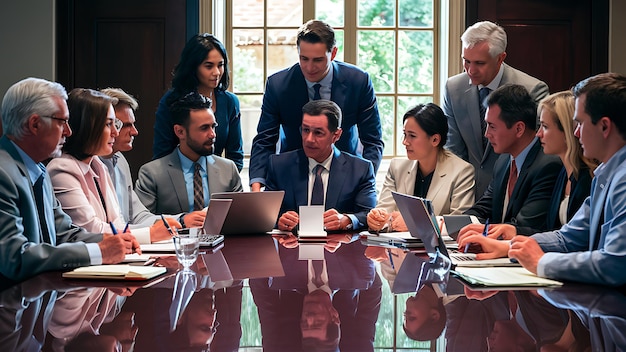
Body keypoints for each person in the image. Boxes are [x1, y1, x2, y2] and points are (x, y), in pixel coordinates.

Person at [0, 77, 138, 283]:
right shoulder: (4, 173)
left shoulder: (39, 169)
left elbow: (65, 234)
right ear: (35, 124)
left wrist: (113, 242)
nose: (69, 131)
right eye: (62, 122)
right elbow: (15, 257)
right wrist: (98, 252)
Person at [507, 73, 626, 286]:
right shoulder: (606, 174)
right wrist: (515, 246)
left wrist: (542, 262)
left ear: (605, 126)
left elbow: (616, 263)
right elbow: (568, 238)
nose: (576, 133)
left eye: (580, 123)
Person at [249, 19, 383, 192]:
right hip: (291, 177)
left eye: (318, 60)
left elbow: (372, 140)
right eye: (303, 58)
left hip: (345, 176)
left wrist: (363, 178)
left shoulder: (358, 81)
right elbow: (265, 139)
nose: (309, 67)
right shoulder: (278, 85)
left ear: (333, 53)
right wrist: (257, 182)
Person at [459, 91, 596, 249]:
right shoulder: (562, 174)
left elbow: (569, 239)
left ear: (567, 132)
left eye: (545, 127)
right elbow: (556, 234)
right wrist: (449, 222)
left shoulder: (559, 169)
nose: (538, 134)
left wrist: (508, 242)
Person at [47, 88, 176, 244]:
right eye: (109, 124)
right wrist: (149, 234)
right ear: (87, 127)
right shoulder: (61, 169)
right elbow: (89, 230)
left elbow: (117, 224)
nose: (115, 132)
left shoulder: (99, 165)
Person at [443, 20, 549, 200]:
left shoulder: (532, 90)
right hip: (465, 195)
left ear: (500, 58)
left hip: (513, 194)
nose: (470, 70)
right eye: (466, 61)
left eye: (479, 63)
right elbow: (453, 149)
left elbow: (535, 152)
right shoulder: (453, 88)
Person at [99, 88, 206, 229]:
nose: (134, 132)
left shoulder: (120, 161)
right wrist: (156, 231)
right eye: (125, 125)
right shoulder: (87, 166)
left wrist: (182, 219)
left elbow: (138, 216)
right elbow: (104, 229)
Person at [462, 84, 562, 234]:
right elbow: (482, 210)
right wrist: (445, 223)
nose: (487, 134)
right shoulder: (503, 162)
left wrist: (482, 232)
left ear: (519, 129)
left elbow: (526, 225)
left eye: (492, 127)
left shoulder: (548, 165)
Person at [266, 99, 377, 232]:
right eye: (306, 130)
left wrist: (347, 220)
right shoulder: (279, 165)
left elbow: (369, 215)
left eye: (318, 133)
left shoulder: (360, 169)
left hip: (340, 249)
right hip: (291, 248)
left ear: (336, 135)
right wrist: (279, 221)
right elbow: (266, 215)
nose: (309, 139)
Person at [366, 103, 475, 232]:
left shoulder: (462, 171)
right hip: (398, 249)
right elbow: (385, 212)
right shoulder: (397, 167)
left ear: (435, 140)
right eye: (405, 134)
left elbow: (460, 225)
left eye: (412, 136)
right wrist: (377, 218)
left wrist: (416, 223)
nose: (405, 142)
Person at [136, 92, 243, 216]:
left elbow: (241, 215)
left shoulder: (228, 169)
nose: (212, 134)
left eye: (213, 127)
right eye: (204, 128)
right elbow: (142, 219)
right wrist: (182, 221)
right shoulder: (152, 174)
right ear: (180, 132)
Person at [153, 33, 244, 171]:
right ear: (193, 67)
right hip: (176, 178)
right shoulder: (171, 101)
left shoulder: (230, 102)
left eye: (220, 65)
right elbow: (161, 154)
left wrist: (226, 183)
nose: (217, 73)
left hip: (217, 179)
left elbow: (236, 156)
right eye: (209, 66)